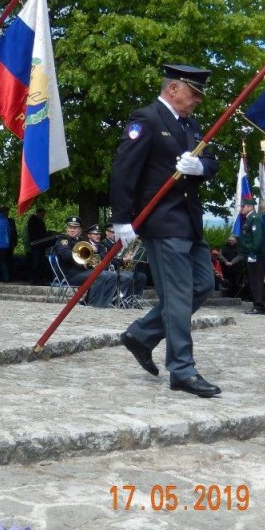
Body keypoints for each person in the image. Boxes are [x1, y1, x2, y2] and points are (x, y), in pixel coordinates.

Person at [110, 63, 221, 398]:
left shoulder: (191, 125)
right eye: (193, 93)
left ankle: (141, 334)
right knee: (177, 296)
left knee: (203, 285)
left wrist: (199, 166)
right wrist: (122, 219)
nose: (198, 100)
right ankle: (182, 370)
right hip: (161, 221)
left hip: (190, 221)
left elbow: (212, 161)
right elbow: (124, 170)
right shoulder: (146, 119)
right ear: (173, 89)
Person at [53, 217, 119, 307]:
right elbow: (65, 255)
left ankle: (104, 303)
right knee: (100, 274)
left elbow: (91, 256)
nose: (72, 230)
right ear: (66, 228)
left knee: (112, 276)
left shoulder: (81, 241)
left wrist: (94, 255)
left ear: (80, 230)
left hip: (83, 272)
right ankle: (93, 304)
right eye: (70, 227)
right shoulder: (63, 239)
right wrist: (80, 252)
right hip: (70, 275)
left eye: (75, 228)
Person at [237, 196, 265, 313]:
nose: (241, 208)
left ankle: (260, 306)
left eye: (243, 206)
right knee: (253, 281)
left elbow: (257, 238)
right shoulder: (249, 218)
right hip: (250, 254)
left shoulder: (255, 218)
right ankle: (257, 304)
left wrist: (253, 253)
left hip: (255, 256)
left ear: (250, 207)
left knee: (256, 281)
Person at [26, 207, 53, 285]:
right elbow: (37, 233)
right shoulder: (34, 221)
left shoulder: (37, 221)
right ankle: (34, 279)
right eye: (42, 214)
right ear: (38, 213)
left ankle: (37, 279)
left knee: (40, 262)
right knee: (36, 262)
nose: (43, 216)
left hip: (40, 245)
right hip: (37, 244)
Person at [219, 234, 244, 298]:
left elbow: (240, 256)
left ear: (235, 240)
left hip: (237, 269)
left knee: (236, 283)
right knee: (227, 283)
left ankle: (235, 297)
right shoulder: (223, 247)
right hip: (226, 269)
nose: (231, 241)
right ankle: (228, 297)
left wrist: (232, 262)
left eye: (232, 240)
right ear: (227, 240)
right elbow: (220, 255)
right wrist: (226, 262)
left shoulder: (240, 247)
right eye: (229, 240)